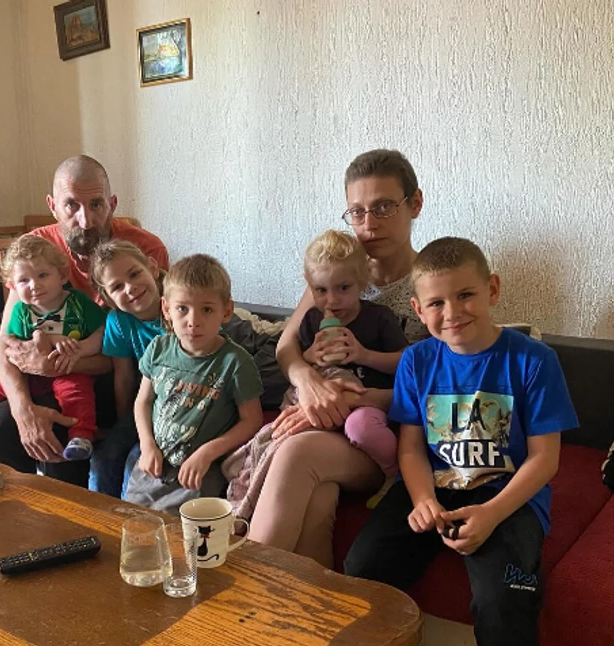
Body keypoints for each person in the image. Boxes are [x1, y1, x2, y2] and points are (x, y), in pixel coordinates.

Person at [344, 237, 578, 646]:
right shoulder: (417, 361)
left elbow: (544, 459)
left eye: (465, 295)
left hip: (506, 496)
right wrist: (422, 500)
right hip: (433, 487)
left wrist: (491, 513)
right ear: (418, 308)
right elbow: (411, 449)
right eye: (436, 303)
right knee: (363, 569)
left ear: (492, 290)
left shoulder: (534, 360)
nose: (452, 312)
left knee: (503, 601)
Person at [253, 149, 429, 566]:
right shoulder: (334, 275)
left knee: (295, 453)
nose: (369, 224)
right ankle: (314, 604)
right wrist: (309, 383)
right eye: (357, 212)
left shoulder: (432, 284)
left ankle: (243, 590)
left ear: (415, 204)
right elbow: (286, 348)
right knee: (318, 499)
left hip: (382, 435)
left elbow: (436, 388)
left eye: (384, 207)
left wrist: (346, 401)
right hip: (326, 424)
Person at [0, 155, 169, 485]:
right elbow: (5, 343)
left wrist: (58, 365)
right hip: (49, 376)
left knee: (64, 422)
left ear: (112, 204)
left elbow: (135, 348)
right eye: (71, 205)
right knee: (0, 425)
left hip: (117, 377)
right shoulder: (34, 250)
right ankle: (19, 513)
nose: (85, 220)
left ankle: (74, 513)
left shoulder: (144, 249)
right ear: (53, 206)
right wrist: (22, 409)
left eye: (96, 204)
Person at [225, 230, 407, 522]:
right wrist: (310, 357)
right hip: (320, 407)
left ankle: (393, 476)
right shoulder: (312, 319)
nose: (332, 300)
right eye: (321, 290)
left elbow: (405, 364)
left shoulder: (379, 317)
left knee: (361, 427)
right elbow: (296, 357)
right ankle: (243, 506)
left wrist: (363, 355)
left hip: (363, 406)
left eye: (343, 288)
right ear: (310, 286)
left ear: (362, 282)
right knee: (277, 439)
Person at [0, 235, 105, 467]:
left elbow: (101, 332)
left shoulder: (78, 303)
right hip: (28, 373)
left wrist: (80, 350)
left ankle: (81, 436)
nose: (34, 285)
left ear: (62, 276)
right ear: (12, 286)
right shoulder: (21, 311)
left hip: (67, 369)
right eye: (24, 280)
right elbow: (11, 345)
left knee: (77, 391)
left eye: (43, 275)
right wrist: (44, 342)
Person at [125, 254, 263, 514]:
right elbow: (143, 402)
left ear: (226, 311)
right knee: (133, 527)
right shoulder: (158, 348)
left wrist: (207, 453)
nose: (193, 321)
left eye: (207, 309)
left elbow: (252, 420)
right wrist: (146, 444)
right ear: (166, 309)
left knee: (182, 535)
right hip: (152, 466)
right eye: (182, 308)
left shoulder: (235, 362)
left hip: (200, 472)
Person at [89, 240, 166, 497]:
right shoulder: (118, 321)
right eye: (117, 287)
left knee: (136, 462)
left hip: (182, 403)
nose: (130, 288)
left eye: (134, 274)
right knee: (104, 458)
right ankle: (98, 516)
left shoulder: (179, 306)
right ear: (108, 298)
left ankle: (129, 511)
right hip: (145, 403)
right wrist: (124, 425)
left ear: (152, 267)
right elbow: (123, 378)